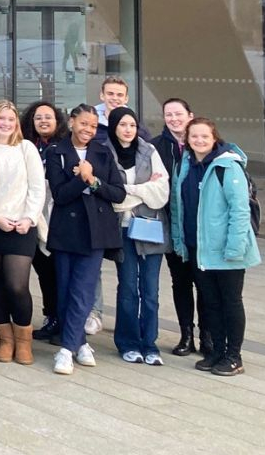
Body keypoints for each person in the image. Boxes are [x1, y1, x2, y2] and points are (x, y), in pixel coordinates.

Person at [171, 117, 260, 376]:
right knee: (210, 303)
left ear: (214, 138)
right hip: (199, 249)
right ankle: (217, 352)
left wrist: (234, 248)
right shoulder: (185, 165)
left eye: (204, 136)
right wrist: (180, 241)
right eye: (194, 136)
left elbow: (240, 210)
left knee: (230, 302)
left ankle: (234, 356)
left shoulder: (227, 166)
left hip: (227, 250)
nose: (199, 140)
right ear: (187, 139)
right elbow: (178, 206)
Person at [45, 103, 125, 375]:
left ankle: (66, 350)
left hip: (95, 231)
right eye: (83, 124)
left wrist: (92, 180)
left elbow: (118, 193)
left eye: (93, 125)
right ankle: (79, 343)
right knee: (65, 289)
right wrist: (82, 179)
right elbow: (61, 194)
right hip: (66, 231)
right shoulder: (56, 152)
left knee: (84, 290)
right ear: (71, 122)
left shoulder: (103, 152)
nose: (88, 129)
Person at [0, 100, 45, 365]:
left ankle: (23, 341)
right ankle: (4, 340)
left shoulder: (26, 148)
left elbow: (37, 187)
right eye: (0, 118)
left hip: (22, 226)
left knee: (17, 286)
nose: (5, 123)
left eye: (10, 119)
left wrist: (29, 218)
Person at [108, 105, 170, 365]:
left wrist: (130, 189)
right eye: (122, 124)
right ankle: (128, 342)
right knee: (128, 290)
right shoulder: (105, 153)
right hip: (122, 230)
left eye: (132, 125)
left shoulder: (149, 150)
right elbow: (113, 198)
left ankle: (150, 343)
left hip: (151, 227)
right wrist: (144, 189)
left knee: (151, 290)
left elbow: (161, 194)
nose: (128, 130)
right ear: (113, 127)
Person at [154, 97, 201, 356]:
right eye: (168, 114)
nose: (174, 118)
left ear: (190, 115)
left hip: (200, 229)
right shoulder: (157, 146)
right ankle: (186, 335)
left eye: (178, 113)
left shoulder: (203, 143)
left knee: (204, 284)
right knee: (180, 282)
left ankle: (208, 336)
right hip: (172, 227)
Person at [21, 100, 69, 343]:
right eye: (38, 117)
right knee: (44, 274)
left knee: (61, 274)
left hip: (59, 221)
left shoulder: (65, 146)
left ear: (57, 120)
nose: (43, 121)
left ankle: (65, 321)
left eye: (48, 117)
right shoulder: (26, 146)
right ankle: (51, 317)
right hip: (33, 219)